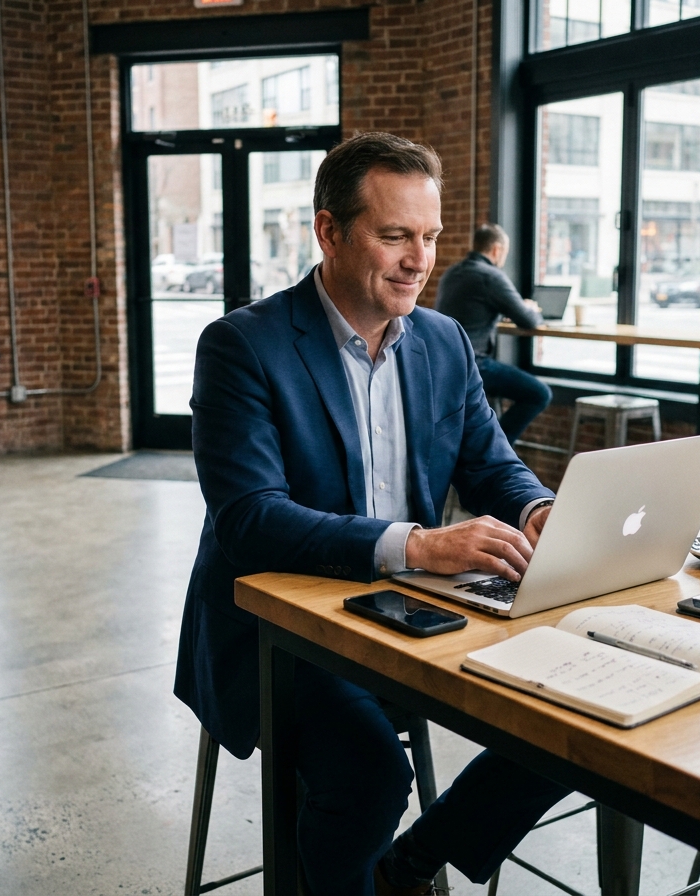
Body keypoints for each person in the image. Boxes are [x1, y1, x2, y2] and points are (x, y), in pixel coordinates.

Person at [173, 132, 569, 896]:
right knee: (371, 774)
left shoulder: (443, 340)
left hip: (409, 614)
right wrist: (418, 547)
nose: (418, 260)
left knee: (571, 723)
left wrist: (536, 509)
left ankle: (409, 867)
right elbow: (250, 520)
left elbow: (489, 463)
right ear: (329, 232)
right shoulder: (242, 346)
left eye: (428, 237)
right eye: (394, 237)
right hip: (277, 631)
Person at [434, 224, 552, 443]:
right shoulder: (490, 276)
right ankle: (493, 448)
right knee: (539, 394)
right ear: (497, 250)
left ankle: (484, 446)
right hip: (473, 364)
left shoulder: (452, 273)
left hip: (441, 363)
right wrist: (533, 310)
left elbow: (471, 310)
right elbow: (529, 321)